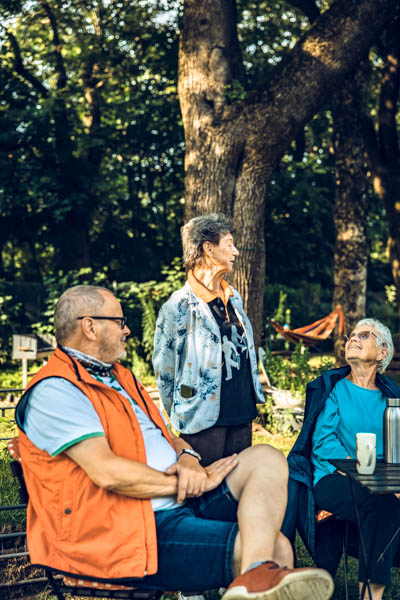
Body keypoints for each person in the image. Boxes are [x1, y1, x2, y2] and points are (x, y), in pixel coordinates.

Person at [15, 285, 333, 600]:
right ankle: (256, 575)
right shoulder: (55, 390)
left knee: (266, 457)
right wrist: (191, 484)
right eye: (119, 321)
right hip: (124, 531)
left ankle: (253, 577)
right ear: (90, 327)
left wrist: (188, 458)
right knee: (277, 548)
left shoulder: (119, 376)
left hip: (173, 504)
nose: (127, 330)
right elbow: (108, 473)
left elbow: (167, 436)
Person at [283, 318, 400, 600]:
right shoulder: (333, 388)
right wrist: (366, 473)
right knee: (382, 501)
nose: (353, 339)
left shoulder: (391, 397)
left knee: (386, 500)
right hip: (334, 476)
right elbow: (324, 444)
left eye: (364, 335)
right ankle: (371, 594)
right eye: (351, 335)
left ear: (383, 352)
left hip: (382, 479)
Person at [153, 213, 264, 467]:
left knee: (238, 484)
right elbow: (164, 370)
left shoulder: (233, 296)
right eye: (229, 244)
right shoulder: (178, 305)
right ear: (208, 248)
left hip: (242, 414)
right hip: (201, 419)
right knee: (202, 484)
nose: (236, 252)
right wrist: (180, 411)